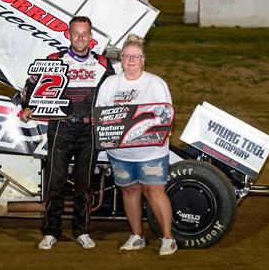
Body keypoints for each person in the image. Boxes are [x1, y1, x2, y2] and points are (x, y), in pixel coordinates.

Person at [20, 16, 114, 250]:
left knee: (84, 184)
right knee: (55, 182)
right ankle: (51, 231)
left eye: (85, 34)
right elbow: (30, 85)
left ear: (91, 37)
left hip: (89, 130)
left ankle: (81, 230)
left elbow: (114, 93)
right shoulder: (54, 60)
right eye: (76, 33)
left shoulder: (103, 64)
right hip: (61, 127)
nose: (80, 38)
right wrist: (27, 106)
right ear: (68, 34)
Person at [95, 34, 177, 256]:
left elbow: (166, 115)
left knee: (154, 191)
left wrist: (164, 128)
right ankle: (137, 236)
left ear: (144, 59)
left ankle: (168, 238)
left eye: (136, 57)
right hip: (120, 153)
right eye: (126, 57)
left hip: (150, 152)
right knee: (130, 191)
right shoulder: (110, 84)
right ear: (120, 59)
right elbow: (100, 115)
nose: (131, 61)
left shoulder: (155, 83)